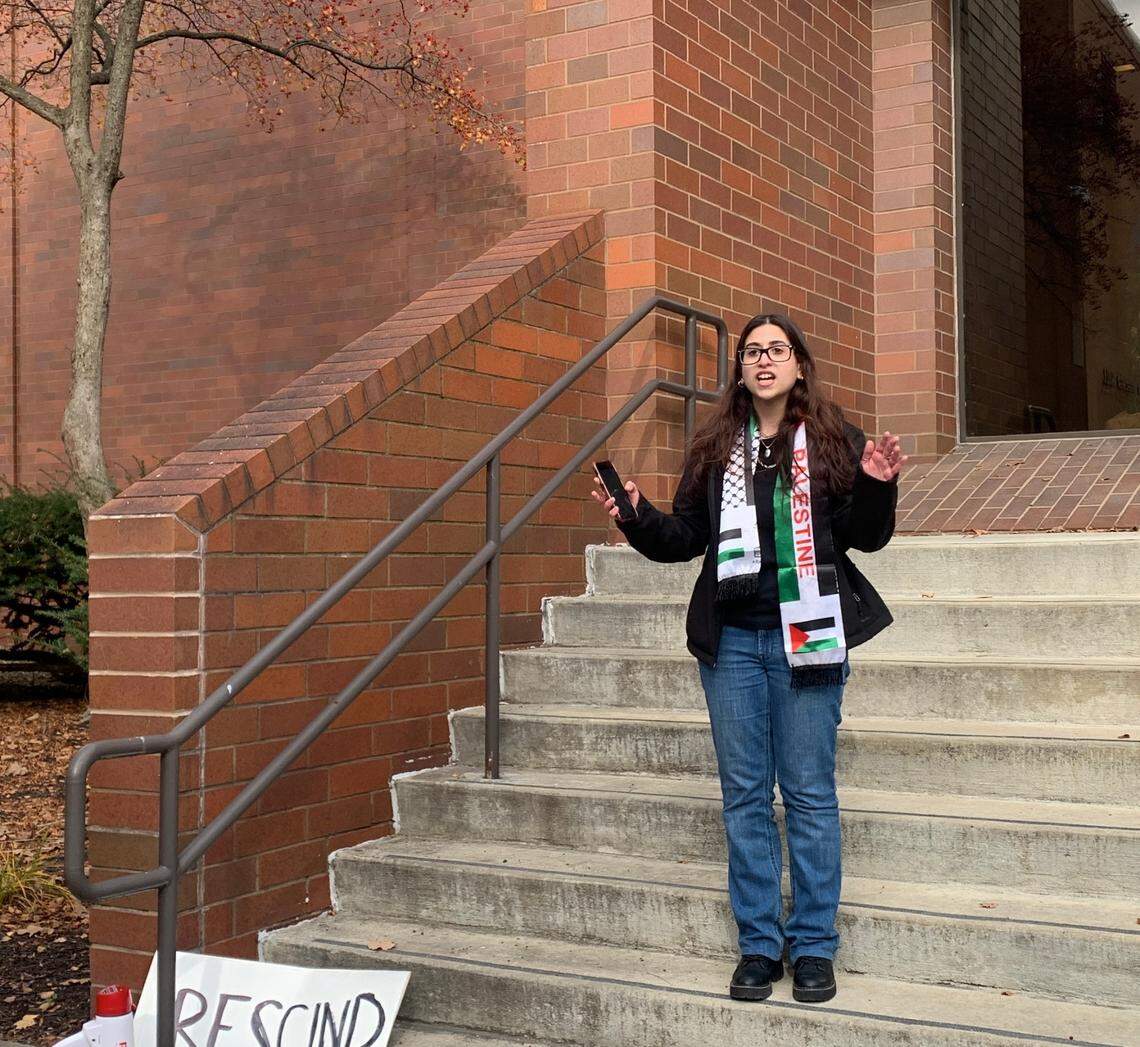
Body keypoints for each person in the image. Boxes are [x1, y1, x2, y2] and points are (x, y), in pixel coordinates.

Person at [590, 313, 907, 1004]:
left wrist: (877, 485)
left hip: (807, 638)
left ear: (798, 365)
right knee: (744, 796)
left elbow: (863, 536)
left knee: (810, 794)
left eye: (777, 350)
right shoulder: (715, 448)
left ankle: (814, 946)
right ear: (740, 368)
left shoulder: (833, 441)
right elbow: (685, 537)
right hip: (732, 643)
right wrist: (638, 516)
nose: (764, 360)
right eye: (752, 351)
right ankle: (760, 945)